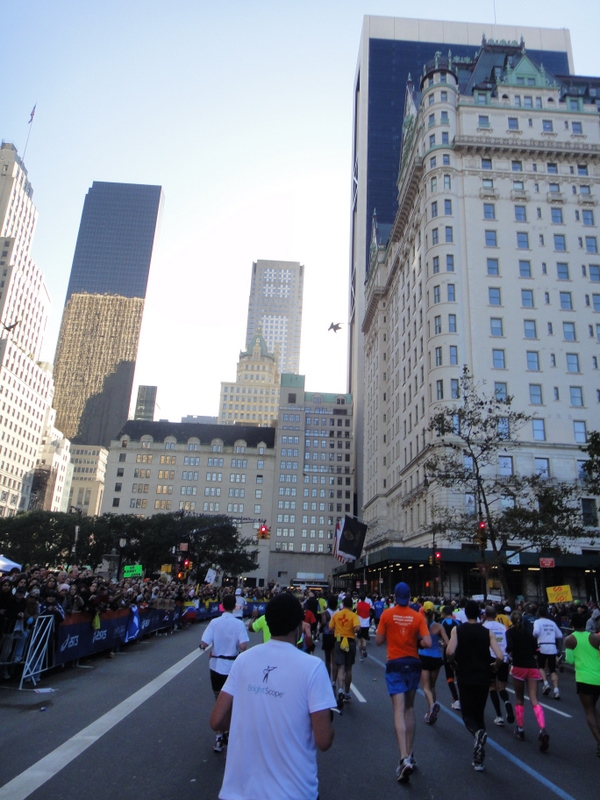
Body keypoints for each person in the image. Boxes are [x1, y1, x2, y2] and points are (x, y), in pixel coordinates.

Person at [210, 592, 334, 800]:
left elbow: (217, 721)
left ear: (267, 622)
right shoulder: (313, 667)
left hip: (238, 793)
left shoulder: (243, 660)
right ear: (298, 626)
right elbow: (324, 740)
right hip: (293, 793)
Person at [376, 581, 431, 784]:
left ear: (394, 596)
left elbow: (379, 640)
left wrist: (392, 634)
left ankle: (403, 758)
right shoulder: (417, 616)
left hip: (395, 664)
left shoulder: (387, 615)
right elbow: (428, 642)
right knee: (409, 709)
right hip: (413, 663)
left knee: (398, 710)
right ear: (409, 597)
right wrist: (414, 640)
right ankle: (410, 753)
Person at [446, 600, 504, 771]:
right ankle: (479, 759)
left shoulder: (458, 629)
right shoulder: (487, 632)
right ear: (480, 614)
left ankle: (478, 734)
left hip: (465, 674)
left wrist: (452, 663)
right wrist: (495, 666)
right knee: (479, 713)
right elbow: (500, 655)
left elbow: (450, 651)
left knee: (467, 715)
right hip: (483, 675)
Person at [200, 593, 249, 752]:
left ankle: (219, 737)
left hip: (216, 665)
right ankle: (229, 732)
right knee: (232, 701)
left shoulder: (214, 622)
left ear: (222, 605)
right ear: (235, 606)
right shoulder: (238, 624)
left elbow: (204, 642)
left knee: (218, 700)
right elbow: (243, 646)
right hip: (232, 666)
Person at [506, 610, 549, 751]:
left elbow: (510, 647)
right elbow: (536, 649)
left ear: (511, 620)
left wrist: (509, 651)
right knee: (534, 699)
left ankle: (520, 728)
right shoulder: (529, 634)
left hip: (519, 667)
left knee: (519, 699)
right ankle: (542, 728)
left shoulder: (510, 633)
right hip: (532, 667)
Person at [564, 611, 600, 756]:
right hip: (598, 677)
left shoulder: (570, 640)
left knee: (589, 711)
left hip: (584, 679)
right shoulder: (594, 637)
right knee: (594, 708)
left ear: (571, 623)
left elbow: (570, 660)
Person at [482, 606, 514, 726]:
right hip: (503, 657)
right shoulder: (503, 627)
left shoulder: (484, 626)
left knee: (492, 687)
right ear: (496, 615)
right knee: (502, 687)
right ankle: (506, 702)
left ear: (486, 615)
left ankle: (499, 715)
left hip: (490, 657)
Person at [419, 601, 449, 724]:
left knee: (425, 687)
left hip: (424, 656)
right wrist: (440, 644)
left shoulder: (421, 625)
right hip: (437, 657)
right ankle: (430, 711)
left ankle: (431, 707)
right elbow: (447, 642)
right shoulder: (439, 626)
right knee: (432, 686)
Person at [329, 594, 360, 708]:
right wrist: (354, 630)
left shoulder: (337, 615)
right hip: (350, 640)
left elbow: (330, 627)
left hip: (339, 640)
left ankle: (340, 689)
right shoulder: (353, 615)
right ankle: (347, 692)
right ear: (351, 605)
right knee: (349, 668)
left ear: (342, 605)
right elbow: (357, 628)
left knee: (340, 666)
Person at [533, 605, 563, 700]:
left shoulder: (537, 622)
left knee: (541, 666)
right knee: (553, 670)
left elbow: (536, 632)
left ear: (538, 613)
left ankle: (546, 683)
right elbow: (560, 635)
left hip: (542, 646)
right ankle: (556, 690)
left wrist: (536, 635)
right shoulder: (552, 622)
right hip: (552, 646)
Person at [440, 605, 461, 709]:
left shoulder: (442, 623)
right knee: (459, 674)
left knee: (449, 676)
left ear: (444, 613)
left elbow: (441, 637)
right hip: (458, 650)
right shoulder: (457, 622)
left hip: (447, 650)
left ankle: (456, 699)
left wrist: (443, 643)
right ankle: (462, 698)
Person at [356, 593, 372, 659]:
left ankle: (360, 655)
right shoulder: (368, 605)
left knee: (359, 639)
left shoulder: (357, 604)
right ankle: (364, 647)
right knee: (364, 638)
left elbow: (354, 610)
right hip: (366, 624)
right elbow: (373, 612)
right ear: (365, 598)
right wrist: (369, 617)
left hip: (359, 623)